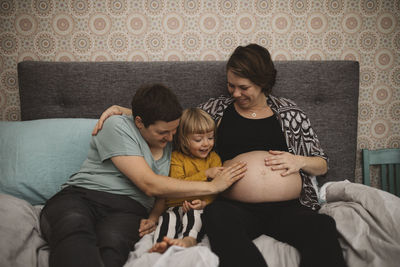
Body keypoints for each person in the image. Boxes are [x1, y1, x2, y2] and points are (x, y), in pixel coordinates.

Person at [94, 44, 346, 267]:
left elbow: (321, 163)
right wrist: (124, 111)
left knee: (321, 227)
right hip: (234, 207)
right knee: (218, 220)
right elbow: (174, 122)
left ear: (263, 82)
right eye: (231, 85)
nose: (235, 93)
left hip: (287, 208)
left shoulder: (290, 113)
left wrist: (298, 160)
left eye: (243, 87)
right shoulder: (216, 109)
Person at [39, 84, 246, 267]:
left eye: (174, 130)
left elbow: (191, 127)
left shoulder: (171, 134)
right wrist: (213, 186)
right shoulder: (117, 126)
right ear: (139, 122)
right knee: (73, 227)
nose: (171, 137)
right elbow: (149, 184)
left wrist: (125, 109)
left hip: (129, 210)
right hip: (82, 196)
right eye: (163, 132)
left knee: (112, 246)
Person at [139, 107, 223, 253]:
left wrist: (203, 203)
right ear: (183, 139)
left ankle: (188, 239)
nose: (206, 143)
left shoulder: (214, 158)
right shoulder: (177, 158)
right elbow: (176, 185)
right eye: (198, 139)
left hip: (199, 208)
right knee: (167, 218)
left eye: (210, 137)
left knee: (193, 216)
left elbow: (218, 190)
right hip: (174, 206)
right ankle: (163, 242)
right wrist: (206, 174)